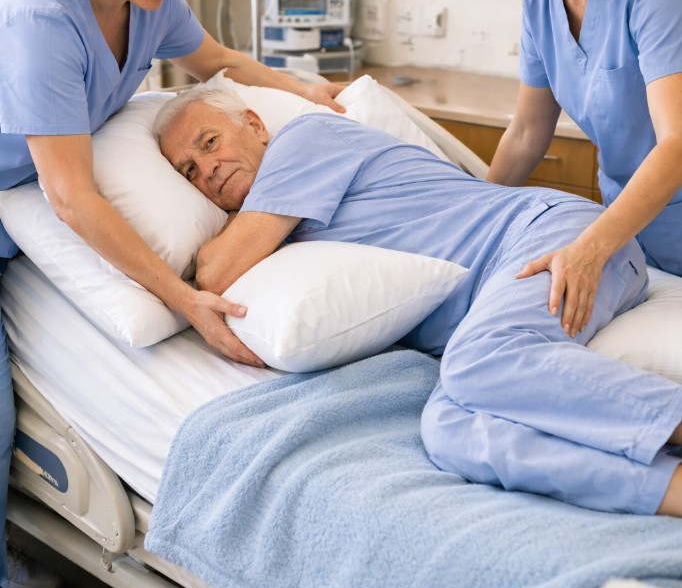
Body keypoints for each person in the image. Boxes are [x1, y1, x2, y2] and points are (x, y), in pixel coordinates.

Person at [0, 0, 344, 588]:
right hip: (35, 193)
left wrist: (306, 93)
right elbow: (72, 196)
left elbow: (224, 62)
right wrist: (185, 297)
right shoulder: (41, 18)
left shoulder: (148, 2)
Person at [153, 84, 682, 519]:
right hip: (496, 297)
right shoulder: (279, 235)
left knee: (479, 362)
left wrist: (219, 243)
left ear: (254, 124)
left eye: (209, 142)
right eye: (188, 172)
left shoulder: (306, 139)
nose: (207, 168)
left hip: (556, 238)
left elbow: (216, 272)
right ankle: (671, 491)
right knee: (451, 431)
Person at [431, 0, 682, 342]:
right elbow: (527, 133)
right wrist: (474, 230)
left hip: (636, 231)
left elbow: (676, 142)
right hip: (630, 238)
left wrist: (591, 247)